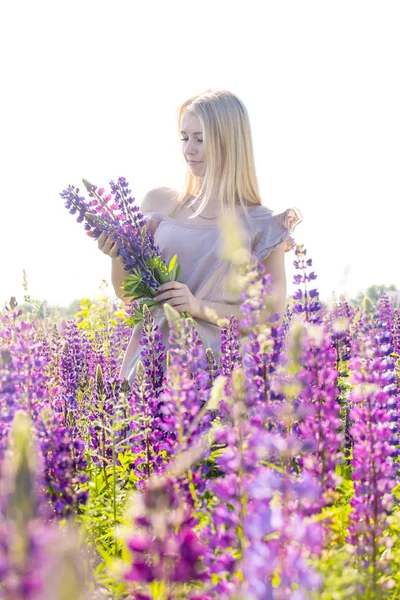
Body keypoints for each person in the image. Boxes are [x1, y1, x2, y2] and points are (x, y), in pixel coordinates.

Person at [97, 89, 302, 385]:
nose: (188, 150)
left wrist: (197, 306)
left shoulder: (261, 223)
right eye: (184, 137)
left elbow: (269, 319)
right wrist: (117, 257)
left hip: (219, 376)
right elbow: (131, 296)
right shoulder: (160, 204)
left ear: (229, 142)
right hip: (150, 368)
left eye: (200, 139)